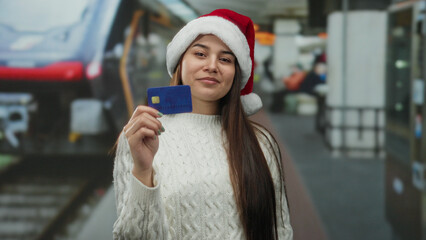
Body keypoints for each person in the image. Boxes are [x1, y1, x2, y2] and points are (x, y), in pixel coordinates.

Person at [113, 9, 293, 240]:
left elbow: (281, 230)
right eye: (200, 54)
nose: (212, 65)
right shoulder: (141, 138)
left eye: (225, 59)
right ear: (180, 62)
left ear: (236, 74)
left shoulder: (261, 142)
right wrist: (143, 171)